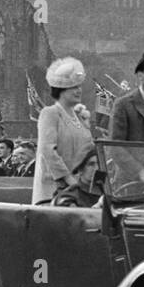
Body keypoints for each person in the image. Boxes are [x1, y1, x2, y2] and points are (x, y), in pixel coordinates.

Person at [33, 56, 95, 205]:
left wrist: (87, 127)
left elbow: (88, 152)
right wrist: (68, 179)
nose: (78, 91)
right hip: (55, 188)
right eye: (73, 87)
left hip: (80, 188)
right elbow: (47, 150)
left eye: (79, 86)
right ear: (60, 90)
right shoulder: (50, 113)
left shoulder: (79, 117)